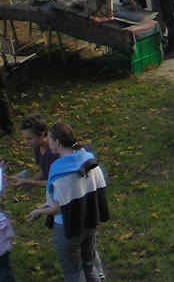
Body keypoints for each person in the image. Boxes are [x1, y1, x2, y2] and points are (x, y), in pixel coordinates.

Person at [27, 123, 108, 282]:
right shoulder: (89, 160)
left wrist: (38, 212)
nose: (48, 143)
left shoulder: (59, 170)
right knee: (89, 265)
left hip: (68, 228)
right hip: (89, 221)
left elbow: (58, 207)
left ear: (57, 142)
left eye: (50, 140)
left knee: (74, 273)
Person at [10, 114, 57, 189]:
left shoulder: (54, 152)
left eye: (29, 138)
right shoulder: (37, 147)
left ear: (42, 134)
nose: (26, 142)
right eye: (25, 138)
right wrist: (27, 182)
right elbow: (44, 172)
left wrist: (30, 182)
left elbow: (56, 183)